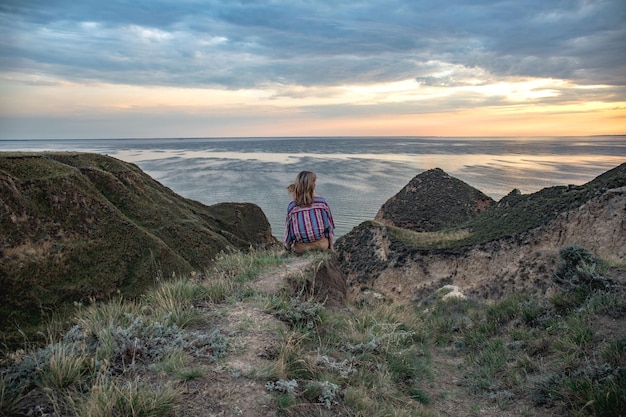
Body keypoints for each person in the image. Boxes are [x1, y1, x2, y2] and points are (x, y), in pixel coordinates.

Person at [284, 170, 335, 254]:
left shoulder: (292, 206)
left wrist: (287, 247)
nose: (315, 184)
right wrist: (331, 247)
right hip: (321, 245)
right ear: (311, 186)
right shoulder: (321, 202)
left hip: (301, 248)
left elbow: (288, 229)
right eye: (314, 182)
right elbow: (329, 226)